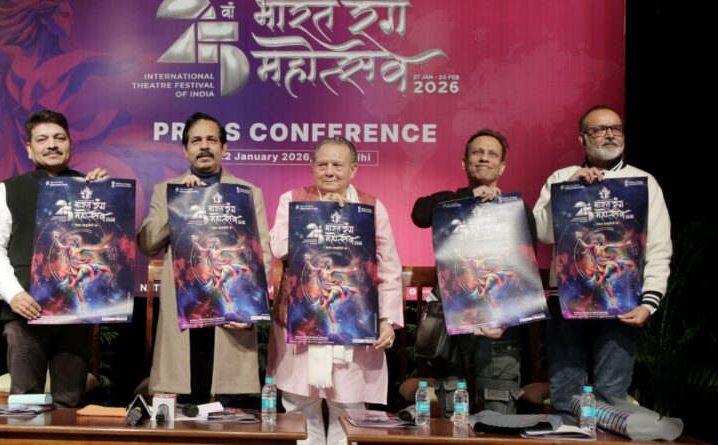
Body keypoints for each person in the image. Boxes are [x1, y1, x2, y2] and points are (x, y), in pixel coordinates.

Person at [533, 105, 672, 414]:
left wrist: (649, 302)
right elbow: (542, 233)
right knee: (564, 396)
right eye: (599, 129)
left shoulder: (643, 182)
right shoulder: (562, 177)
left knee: (612, 397)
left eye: (616, 128)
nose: (610, 135)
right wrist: (569, 189)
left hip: (621, 303)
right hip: (567, 302)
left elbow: (659, 247)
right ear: (582, 138)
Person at [267, 137, 403, 445]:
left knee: (349, 415)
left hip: (353, 325)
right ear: (313, 167)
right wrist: (319, 214)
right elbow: (278, 248)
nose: (329, 171)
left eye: (337, 165)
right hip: (301, 324)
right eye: (322, 164)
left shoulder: (371, 207)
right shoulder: (293, 200)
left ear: (353, 169)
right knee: (301, 415)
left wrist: (387, 320)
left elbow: (389, 268)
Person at [137, 112, 271, 407]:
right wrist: (179, 203)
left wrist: (250, 311)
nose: (204, 146)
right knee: (186, 399)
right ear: (185, 150)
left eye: (212, 139)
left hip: (231, 309)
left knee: (229, 407)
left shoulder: (247, 192)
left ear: (224, 148)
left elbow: (261, 253)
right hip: (185, 312)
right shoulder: (166, 190)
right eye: (196, 140)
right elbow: (147, 244)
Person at [0, 109, 109, 407]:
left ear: (70, 144)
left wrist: (107, 195)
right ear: (29, 149)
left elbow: (110, 243)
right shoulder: (8, 190)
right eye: (42, 139)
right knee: (26, 403)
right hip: (25, 311)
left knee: (70, 403)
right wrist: (13, 294)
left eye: (59, 138)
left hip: (76, 313)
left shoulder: (92, 188)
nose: (52, 144)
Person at [411, 129, 536, 415]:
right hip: (452, 329)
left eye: (492, 154)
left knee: (497, 415)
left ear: (502, 167)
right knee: (452, 415)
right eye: (477, 153)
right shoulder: (449, 204)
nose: (484, 158)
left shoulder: (516, 210)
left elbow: (525, 274)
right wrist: (470, 197)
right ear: (465, 163)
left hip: (499, 330)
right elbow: (419, 214)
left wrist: (505, 321)